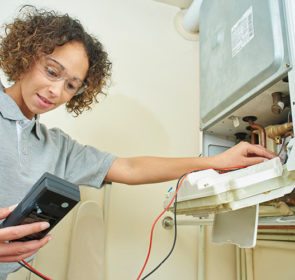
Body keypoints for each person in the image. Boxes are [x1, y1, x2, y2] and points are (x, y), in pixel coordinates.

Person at [0, 5, 274, 279]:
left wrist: (215, 161)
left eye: (71, 86)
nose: (56, 91)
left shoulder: (57, 147)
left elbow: (129, 168)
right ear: (27, 55)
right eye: (51, 71)